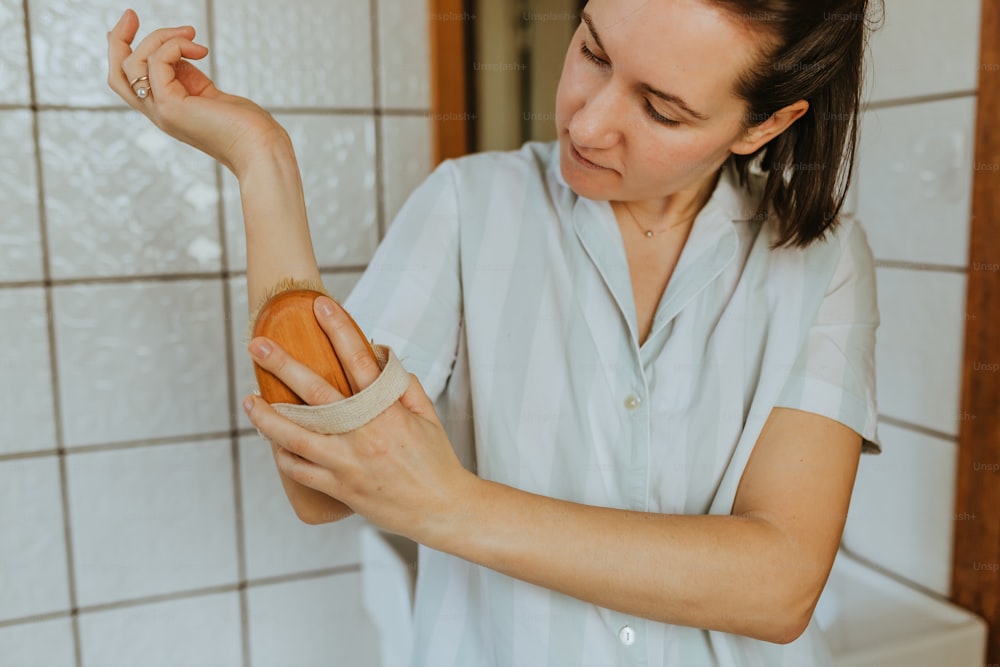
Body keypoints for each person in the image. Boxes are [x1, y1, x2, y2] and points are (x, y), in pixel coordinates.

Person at [106, 0, 882, 664]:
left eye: (661, 108)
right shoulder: (468, 205)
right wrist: (261, 160)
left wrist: (446, 504)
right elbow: (320, 482)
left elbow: (780, 583)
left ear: (765, 123)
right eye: (592, 51)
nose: (589, 118)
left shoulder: (818, 256)